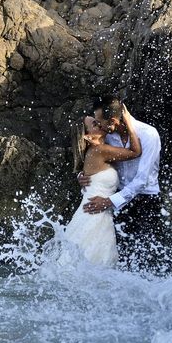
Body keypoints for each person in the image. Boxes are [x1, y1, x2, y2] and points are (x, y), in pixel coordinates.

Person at [79, 95, 163, 271]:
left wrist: (109, 201)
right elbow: (95, 157)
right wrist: (84, 175)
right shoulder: (107, 136)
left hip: (145, 202)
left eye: (100, 122)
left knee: (148, 262)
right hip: (117, 203)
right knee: (121, 263)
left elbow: (142, 180)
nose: (98, 125)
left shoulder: (148, 135)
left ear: (113, 121)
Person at [63, 107, 142, 266]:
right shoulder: (99, 150)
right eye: (94, 124)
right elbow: (135, 152)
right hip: (94, 216)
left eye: (97, 121)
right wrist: (128, 122)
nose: (99, 124)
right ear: (87, 137)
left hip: (95, 214)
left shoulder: (96, 152)